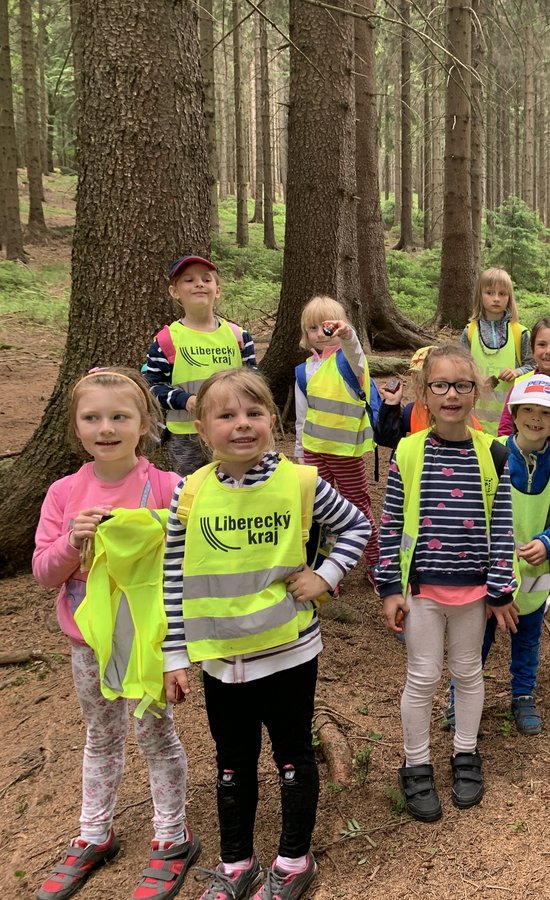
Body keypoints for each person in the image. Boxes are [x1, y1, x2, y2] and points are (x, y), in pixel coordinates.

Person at [163, 369, 369, 900]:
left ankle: (294, 861)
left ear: (272, 421)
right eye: (226, 415)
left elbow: (357, 525)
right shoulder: (189, 493)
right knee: (231, 762)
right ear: (201, 429)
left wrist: (325, 575)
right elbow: (173, 575)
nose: (242, 424)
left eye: (254, 413)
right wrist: (173, 654)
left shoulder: (300, 483)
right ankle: (237, 864)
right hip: (221, 658)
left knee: (292, 754)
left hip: (289, 653)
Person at [33, 369, 197, 900]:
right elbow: (44, 573)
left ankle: (172, 835)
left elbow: (189, 562)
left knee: (155, 734)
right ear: (76, 427)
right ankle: (94, 833)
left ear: (144, 423)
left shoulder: (168, 488)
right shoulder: (64, 493)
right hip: (88, 644)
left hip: (147, 642)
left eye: (120, 416)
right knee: (101, 736)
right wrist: (72, 541)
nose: (106, 428)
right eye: (93, 417)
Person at [376, 344, 518, 823]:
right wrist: (389, 587)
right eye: (440, 385)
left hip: (473, 590)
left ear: (476, 392)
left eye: (461, 385)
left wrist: (500, 587)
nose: (451, 395)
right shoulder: (408, 450)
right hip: (422, 588)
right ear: (425, 393)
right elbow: (391, 521)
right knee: (422, 676)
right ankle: (415, 762)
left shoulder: (493, 453)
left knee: (468, 672)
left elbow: (503, 523)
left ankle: (465, 751)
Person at [479, 375, 550, 735]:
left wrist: (549, 541)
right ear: (515, 413)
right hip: (488, 577)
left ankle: (523, 695)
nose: (536, 418)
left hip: (533, 582)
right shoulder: (493, 457)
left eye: (547, 413)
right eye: (529, 410)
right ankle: (462, 696)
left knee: (528, 640)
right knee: (477, 641)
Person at [497, 317, 550, 628]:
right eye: (542, 344)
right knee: (526, 527)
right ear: (532, 348)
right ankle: (526, 587)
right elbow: (505, 426)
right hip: (522, 468)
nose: (549, 351)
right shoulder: (521, 384)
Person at [143, 255, 256, 476]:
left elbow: (255, 382)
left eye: (206, 279)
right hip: (186, 436)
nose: (199, 284)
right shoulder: (167, 340)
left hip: (233, 431)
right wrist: (185, 401)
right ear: (174, 292)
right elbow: (153, 387)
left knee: (236, 482)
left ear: (217, 290)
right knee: (193, 486)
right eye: (189, 280)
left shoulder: (238, 336)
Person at [293, 297, 379, 576]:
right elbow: (302, 416)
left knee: (359, 506)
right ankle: (325, 568)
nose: (320, 333)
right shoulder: (303, 371)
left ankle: (376, 563)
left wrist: (347, 335)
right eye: (312, 328)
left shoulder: (349, 361)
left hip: (346, 452)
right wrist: (299, 452)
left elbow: (355, 351)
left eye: (327, 327)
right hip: (314, 451)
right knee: (320, 510)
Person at [459, 267, 533, 434]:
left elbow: (533, 366)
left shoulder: (520, 333)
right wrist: (475, 378)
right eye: (490, 293)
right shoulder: (469, 332)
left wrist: (517, 371)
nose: (496, 299)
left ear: (509, 297)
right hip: (474, 420)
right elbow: (459, 368)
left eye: (502, 294)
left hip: (512, 420)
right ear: (479, 295)